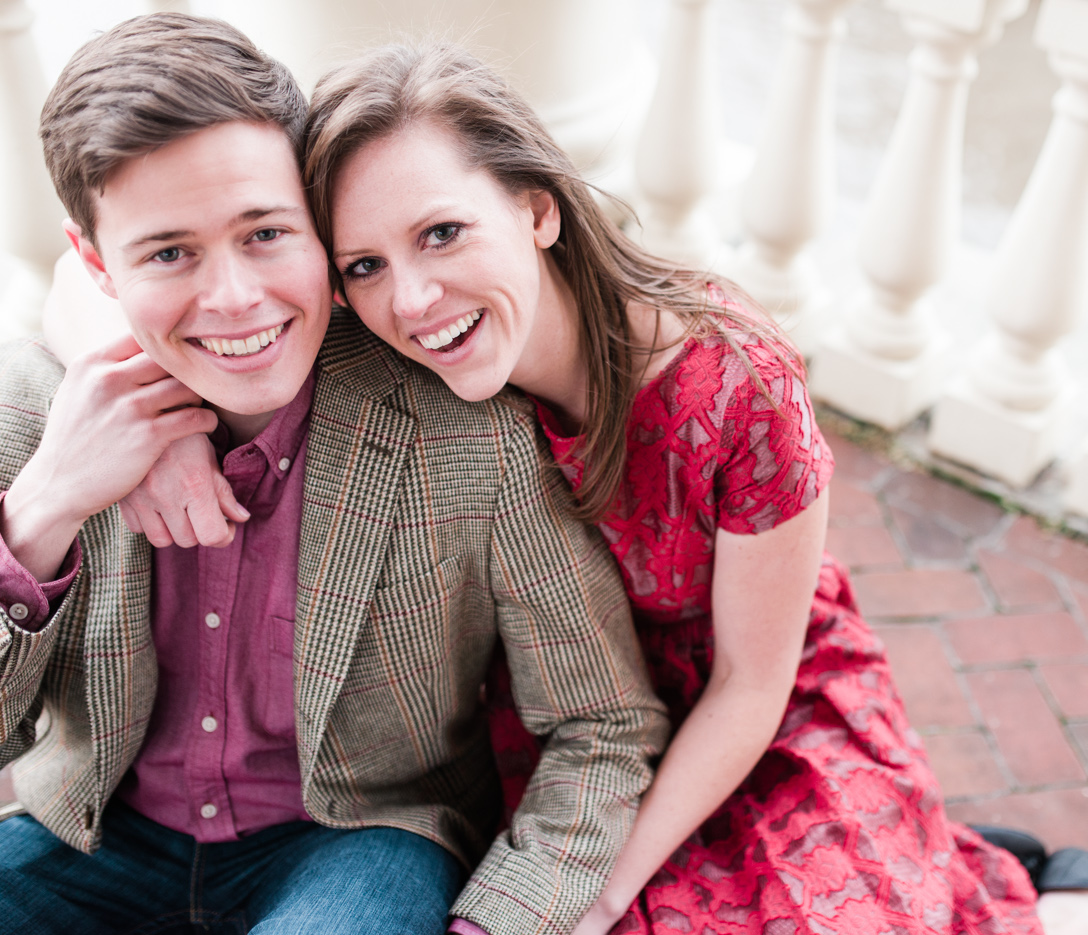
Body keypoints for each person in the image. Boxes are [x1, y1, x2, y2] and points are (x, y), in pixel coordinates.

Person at [75, 38, 1088, 935]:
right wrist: (169, 428)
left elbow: (750, 680)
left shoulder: (731, 382)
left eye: (442, 234)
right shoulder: (373, 341)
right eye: (365, 265)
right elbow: (184, 306)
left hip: (747, 700)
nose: (412, 299)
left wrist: (609, 885)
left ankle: (1019, 872)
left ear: (535, 206)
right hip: (550, 708)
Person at [0, 15, 667, 935]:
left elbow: (602, 722)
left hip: (357, 838)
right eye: (168, 252)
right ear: (93, 263)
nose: (234, 297)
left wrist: (502, 921)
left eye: (266, 232)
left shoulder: (466, 434)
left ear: (318, 225)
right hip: (92, 833)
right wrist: (42, 511)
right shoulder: (34, 416)